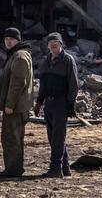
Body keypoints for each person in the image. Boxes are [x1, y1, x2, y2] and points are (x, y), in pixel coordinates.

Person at [34, 31, 79, 178]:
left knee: (58, 137)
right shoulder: (45, 61)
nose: (53, 46)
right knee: (52, 136)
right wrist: (39, 101)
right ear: (47, 45)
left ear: (61, 44)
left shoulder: (68, 60)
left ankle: (55, 168)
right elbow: (43, 83)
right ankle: (65, 167)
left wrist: (70, 103)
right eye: (51, 43)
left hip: (61, 103)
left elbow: (74, 84)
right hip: (49, 103)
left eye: (56, 43)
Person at [0, 27, 34, 178]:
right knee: (13, 137)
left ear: (18, 40)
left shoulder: (19, 56)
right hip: (18, 106)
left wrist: (9, 105)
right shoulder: (18, 54)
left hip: (16, 107)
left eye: (11, 39)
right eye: (6, 39)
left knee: (11, 138)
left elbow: (18, 83)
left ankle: (13, 170)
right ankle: (14, 168)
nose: (8, 42)